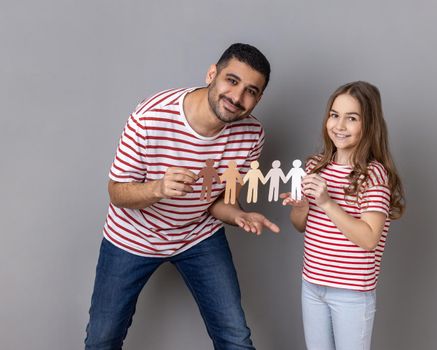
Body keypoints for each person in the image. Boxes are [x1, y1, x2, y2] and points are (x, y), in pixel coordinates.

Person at [85, 43, 279, 350]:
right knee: (102, 339)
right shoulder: (151, 116)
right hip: (133, 236)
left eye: (251, 91)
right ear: (212, 74)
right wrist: (158, 188)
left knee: (235, 337)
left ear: (259, 98)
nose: (237, 97)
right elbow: (117, 193)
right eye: (232, 80)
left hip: (198, 236)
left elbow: (221, 202)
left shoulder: (251, 134)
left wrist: (239, 214)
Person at [281, 81, 405, 350]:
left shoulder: (374, 175)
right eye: (334, 115)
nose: (339, 125)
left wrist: (327, 203)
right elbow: (301, 225)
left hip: (351, 292)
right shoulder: (316, 165)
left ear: (369, 125)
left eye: (351, 118)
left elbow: (369, 238)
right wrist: (301, 208)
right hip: (312, 284)